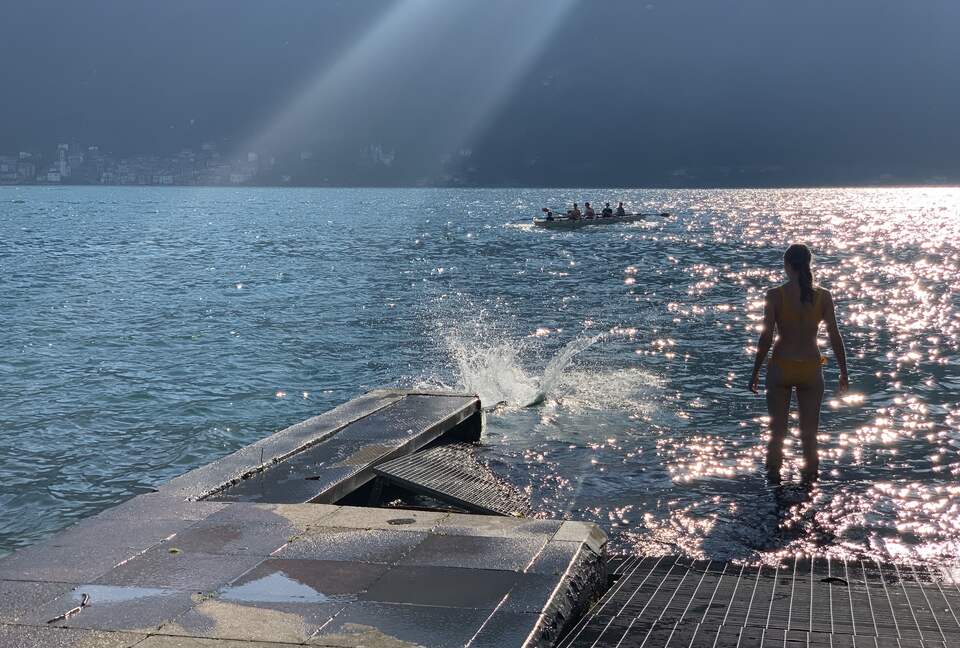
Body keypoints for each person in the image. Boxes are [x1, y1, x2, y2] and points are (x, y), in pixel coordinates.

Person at [749, 243, 848, 483]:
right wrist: (844, 372)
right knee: (809, 436)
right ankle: (810, 488)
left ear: (787, 266)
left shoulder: (775, 295)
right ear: (808, 265)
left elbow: (766, 338)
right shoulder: (823, 296)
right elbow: (835, 336)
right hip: (811, 370)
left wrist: (755, 371)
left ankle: (773, 489)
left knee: (777, 435)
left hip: (781, 367)